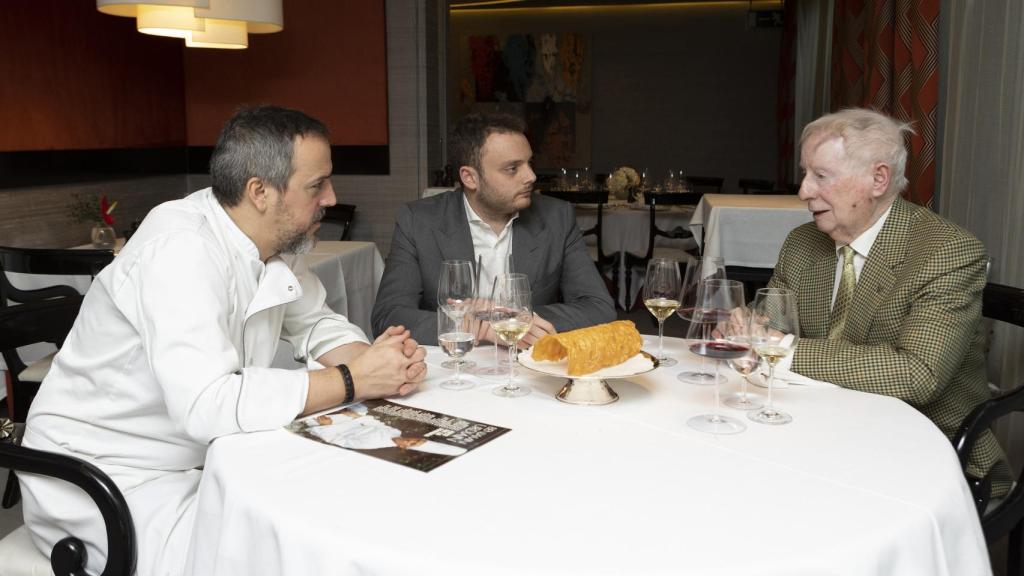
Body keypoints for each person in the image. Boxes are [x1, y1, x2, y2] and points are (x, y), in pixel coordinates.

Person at [19, 105, 427, 576]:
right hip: (104, 476)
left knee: (336, 512)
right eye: (317, 185)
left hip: (203, 459)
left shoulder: (270, 237)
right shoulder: (180, 250)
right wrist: (353, 380)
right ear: (260, 191)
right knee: (283, 553)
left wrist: (379, 362)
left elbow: (315, 320)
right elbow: (206, 403)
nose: (331, 198)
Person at [769, 107, 1006, 489]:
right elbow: (769, 322)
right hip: (816, 430)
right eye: (805, 173)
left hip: (926, 449)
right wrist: (749, 325)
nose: (803, 191)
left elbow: (918, 374)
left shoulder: (946, 252)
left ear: (878, 179)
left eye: (820, 176)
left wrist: (785, 350)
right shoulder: (802, 243)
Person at [371, 112, 616, 346]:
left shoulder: (556, 217)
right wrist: (480, 328)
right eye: (512, 168)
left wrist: (513, 321)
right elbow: (389, 315)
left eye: (530, 163)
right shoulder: (419, 221)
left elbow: (599, 307)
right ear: (470, 178)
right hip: (454, 368)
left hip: (526, 368)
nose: (530, 176)